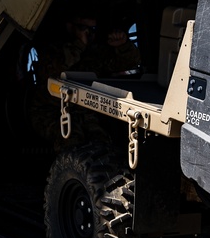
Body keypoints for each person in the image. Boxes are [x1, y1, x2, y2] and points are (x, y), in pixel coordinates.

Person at [26, 9, 141, 144]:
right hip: (51, 111)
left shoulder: (95, 51)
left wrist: (123, 46)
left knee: (100, 142)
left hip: (83, 110)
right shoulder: (54, 48)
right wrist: (79, 45)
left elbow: (129, 62)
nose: (88, 33)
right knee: (73, 142)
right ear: (70, 26)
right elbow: (51, 71)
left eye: (92, 29)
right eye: (83, 28)